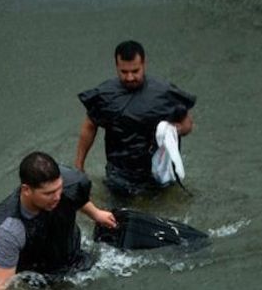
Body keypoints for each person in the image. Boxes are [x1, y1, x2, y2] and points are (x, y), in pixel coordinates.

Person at [0, 152, 117, 290]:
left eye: (59, 188)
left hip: (69, 253)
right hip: (36, 274)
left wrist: (96, 214)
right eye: (49, 193)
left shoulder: (67, 184)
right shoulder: (10, 231)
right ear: (26, 190)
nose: (57, 197)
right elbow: (0, 289)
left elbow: (72, 194)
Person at [75, 40, 197, 198]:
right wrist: (79, 165)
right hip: (119, 173)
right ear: (116, 66)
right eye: (124, 72)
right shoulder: (105, 95)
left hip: (157, 173)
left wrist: (170, 131)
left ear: (144, 64)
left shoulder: (164, 93)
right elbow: (89, 126)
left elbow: (187, 124)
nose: (130, 77)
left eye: (135, 71)